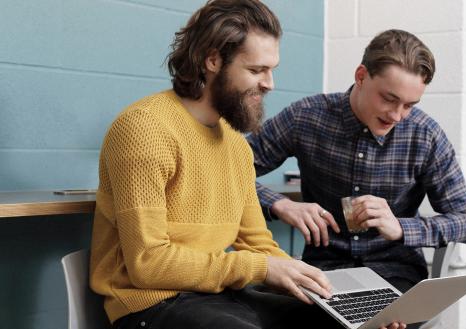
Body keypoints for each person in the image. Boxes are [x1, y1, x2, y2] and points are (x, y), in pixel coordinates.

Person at [89, 1, 407, 329]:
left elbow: (258, 244)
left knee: (340, 323)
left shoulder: (235, 146)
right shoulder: (144, 129)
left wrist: (329, 293)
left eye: (272, 69)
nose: (269, 83)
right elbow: (148, 264)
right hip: (150, 304)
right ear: (213, 60)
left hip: (219, 296)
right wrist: (261, 268)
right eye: (256, 70)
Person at [248, 29, 466, 302]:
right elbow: (227, 170)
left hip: (396, 275)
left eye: (409, 105)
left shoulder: (425, 135)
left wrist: (401, 227)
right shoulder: (306, 117)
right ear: (361, 76)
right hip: (321, 272)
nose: (396, 115)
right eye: (389, 99)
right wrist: (280, 204)